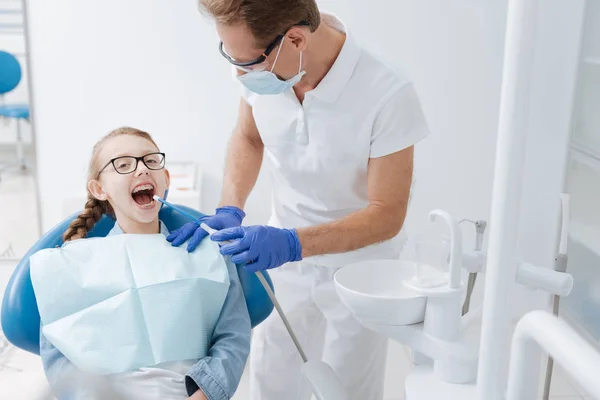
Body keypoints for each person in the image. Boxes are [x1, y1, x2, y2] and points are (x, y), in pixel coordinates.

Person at [167, 1, 430, 399]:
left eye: (249, 63)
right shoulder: (260, 64)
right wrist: (230, 208)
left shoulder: (388, 94)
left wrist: (294, 243)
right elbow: (248, 136)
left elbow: (386, 215)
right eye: (230, 57)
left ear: (295, 38)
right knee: (272, 375)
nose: (239, 72)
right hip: (283, 259)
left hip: (360, 265)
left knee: (347, 387)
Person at [38, 127, 251, 400]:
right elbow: (60, 355)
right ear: (99, 188)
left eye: (151, 161)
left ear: (165, 178)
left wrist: (205, 394)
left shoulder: (207, 254)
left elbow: (233, 336)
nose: (141, 170)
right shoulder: (73, 266)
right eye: (123, 164)